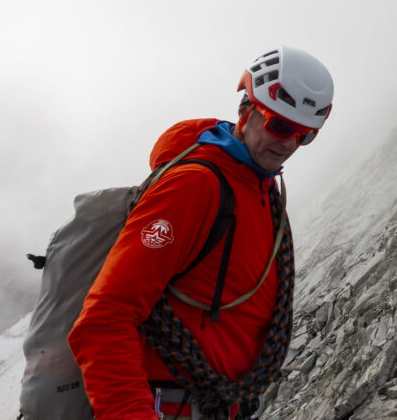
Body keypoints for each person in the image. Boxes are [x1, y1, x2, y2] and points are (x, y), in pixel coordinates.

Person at [68, 46, 333, 420]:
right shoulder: (195, 187)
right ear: (246, 110)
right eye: (280, 126)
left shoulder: (261, 191)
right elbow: (105, 317)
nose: (289, 144)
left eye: (305, 135)